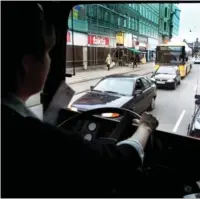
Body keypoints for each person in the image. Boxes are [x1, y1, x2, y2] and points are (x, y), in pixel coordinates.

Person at [1, 3, 159, 198]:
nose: (50, 60)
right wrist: (145, 127)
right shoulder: (31, 137)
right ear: (27, 65)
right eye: (48, 53)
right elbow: (115, 164)